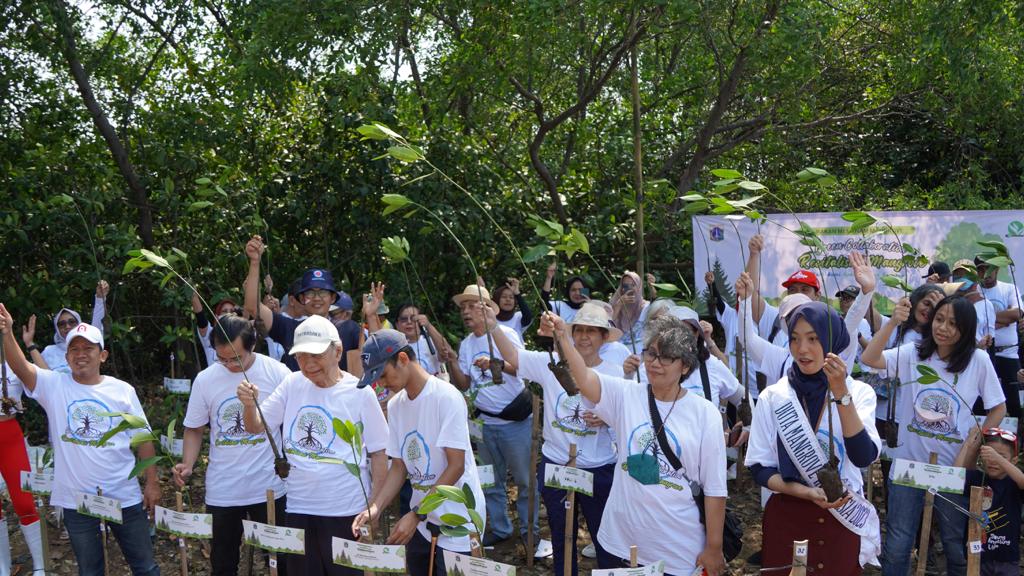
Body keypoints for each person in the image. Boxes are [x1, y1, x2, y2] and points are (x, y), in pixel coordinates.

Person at [547, 310, 727, 575]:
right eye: (651, 353)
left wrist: (714, 547)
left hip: (677, 549)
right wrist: (563, 337)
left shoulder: (704, 414)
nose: (655, 363)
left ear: (685, 366)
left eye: (667, 357)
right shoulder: (625, 395)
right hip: (619, 542)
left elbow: (714, 489)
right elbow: (583, 378)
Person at [0, 307, 161, 576]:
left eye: (88, 348)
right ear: (66, 357)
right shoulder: (55, 386)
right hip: (77, 501)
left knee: (145, 567)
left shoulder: (122, 391)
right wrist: (7, 333)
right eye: (74, 349)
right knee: (89, 570)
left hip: (123, 495)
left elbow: (143, 439)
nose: (81, 354)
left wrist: (152, 482)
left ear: (103, 355)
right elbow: (21, 367)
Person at [861, 295, 1007, 576]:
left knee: (954, 542)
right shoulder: (913, 353)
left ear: (966, 329)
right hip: (908, 466)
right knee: (898, 542)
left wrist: (974, 441)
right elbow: (869, 359)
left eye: (953, 323)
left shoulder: (977, 360)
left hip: (952, 469)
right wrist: (892, 323)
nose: (943, 328)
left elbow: (998, 407)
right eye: (939, 319)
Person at [238, 315, 388, 576]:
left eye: (316, 355)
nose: (308, 364)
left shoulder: (360, 392)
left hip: (347, 510)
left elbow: (379, 453)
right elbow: (256, 426)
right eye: (300, 356)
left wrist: (374, 507)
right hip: (299, 507)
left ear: (337, 351)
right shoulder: (292, 384)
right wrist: (249, 405)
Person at [746, 301, 882, 575]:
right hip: (788, 515)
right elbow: (759, 468)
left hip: (841, 517)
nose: (802, 349)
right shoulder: (774, 397)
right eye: (795, 339)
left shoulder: (859, 392)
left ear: (833, 341)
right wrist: (807, 492)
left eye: (813, 339)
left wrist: (841, 394)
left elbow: (863, 456)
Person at [489, 301, 622, 574]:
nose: (584, 337)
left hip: (598, 466)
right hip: (557, 464)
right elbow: (513, 356)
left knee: (605, 536)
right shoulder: (550, 363)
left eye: (592, 331)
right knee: (561, 534)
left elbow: (626, 416)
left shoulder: (614, 372)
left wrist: (607, 417)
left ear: (604, 337)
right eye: (579, 330)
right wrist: (492, 325)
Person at [350, 330, 485, 576]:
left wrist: (416, 514)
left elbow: (456, 466)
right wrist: (376, 507)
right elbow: (399, 466)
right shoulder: (396, 405)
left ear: (402, 359)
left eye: (383, 375)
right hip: (421, 520)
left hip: (457, 519)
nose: (382, 384)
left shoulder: (446, 397)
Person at [173, 314, 290, 576]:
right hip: (224, 488)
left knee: (281, 560)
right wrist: (188, 464)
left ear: (253, 344)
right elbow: (194, 428)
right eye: (222, 358)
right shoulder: (206, 379)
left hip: (269, 484)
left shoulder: (277, 373)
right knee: (223, 563)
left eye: (236, 358)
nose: (229, 365)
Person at [445, 285, 541, 553]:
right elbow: (464, 384)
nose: (466, 311)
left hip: (515, 423)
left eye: (471, 305)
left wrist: (494, 364)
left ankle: (529, 533)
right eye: (463, 307)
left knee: (525, 480)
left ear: (487, 308)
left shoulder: (506, 334)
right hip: (484, 424)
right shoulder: (466, 344)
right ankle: (500, 528)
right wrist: (452, 361)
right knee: (490, 480)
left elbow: (524, 369)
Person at [242, 236, 360, 372]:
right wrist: (255, 261)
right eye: (310, 293)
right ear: (302, 299)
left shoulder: (349, 329)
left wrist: (372, 316)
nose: (317, 298)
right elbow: (252, 306)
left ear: (332, 298)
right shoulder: (289, 328)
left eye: (323, 292)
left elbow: (370, 359)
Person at [0, 323, 45, 575]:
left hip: (9, 435)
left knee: (24, 502)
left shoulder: (13, 361)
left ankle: (40, 565)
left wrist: (29, 345)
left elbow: (46, 379)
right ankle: (3, 567)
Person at [954, 426, 1024, 576]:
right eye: (989, 455)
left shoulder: (1014, 482)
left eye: (1001, 456)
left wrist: (997, 457)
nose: (993, 461)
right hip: (977, 557)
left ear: (1014, 460)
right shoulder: (977, 478)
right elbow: (955, 476)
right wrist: (968, 444)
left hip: (1007, 558)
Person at [975, 255, 1022, 418]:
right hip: (983, 355)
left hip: (1008, 354)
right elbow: (971, 319)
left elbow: (1017, 314)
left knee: (1014, 405)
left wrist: (986, 319)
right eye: (981, 269)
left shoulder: (1009, 288)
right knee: (980, 405)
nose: (985, 273)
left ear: (996, 269)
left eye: (989, 268)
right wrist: (1003, 320)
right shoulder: (975, 292)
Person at [40, 280, 109, 374]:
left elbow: (97, 324)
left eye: (72, 322)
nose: (67, 326)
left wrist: (100, 298)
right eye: (62, 324)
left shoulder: (89, 344)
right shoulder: (49, 351)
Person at [392, 303, 452, 378]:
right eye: (404, 319)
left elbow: (449, 354)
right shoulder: (394, 348)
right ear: (397, 325)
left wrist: (428, 325)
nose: (409, 322)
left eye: (414, 318)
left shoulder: (432, 341)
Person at [610, 271, 652, 349]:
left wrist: (652, 288)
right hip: (618, 350)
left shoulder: (646, 307)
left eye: (633, 285)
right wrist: (619, 304)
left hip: (639, 352)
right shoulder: (615, 304)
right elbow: (607, 324)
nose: (630, 289)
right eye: (625, 285)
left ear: (639, 287)